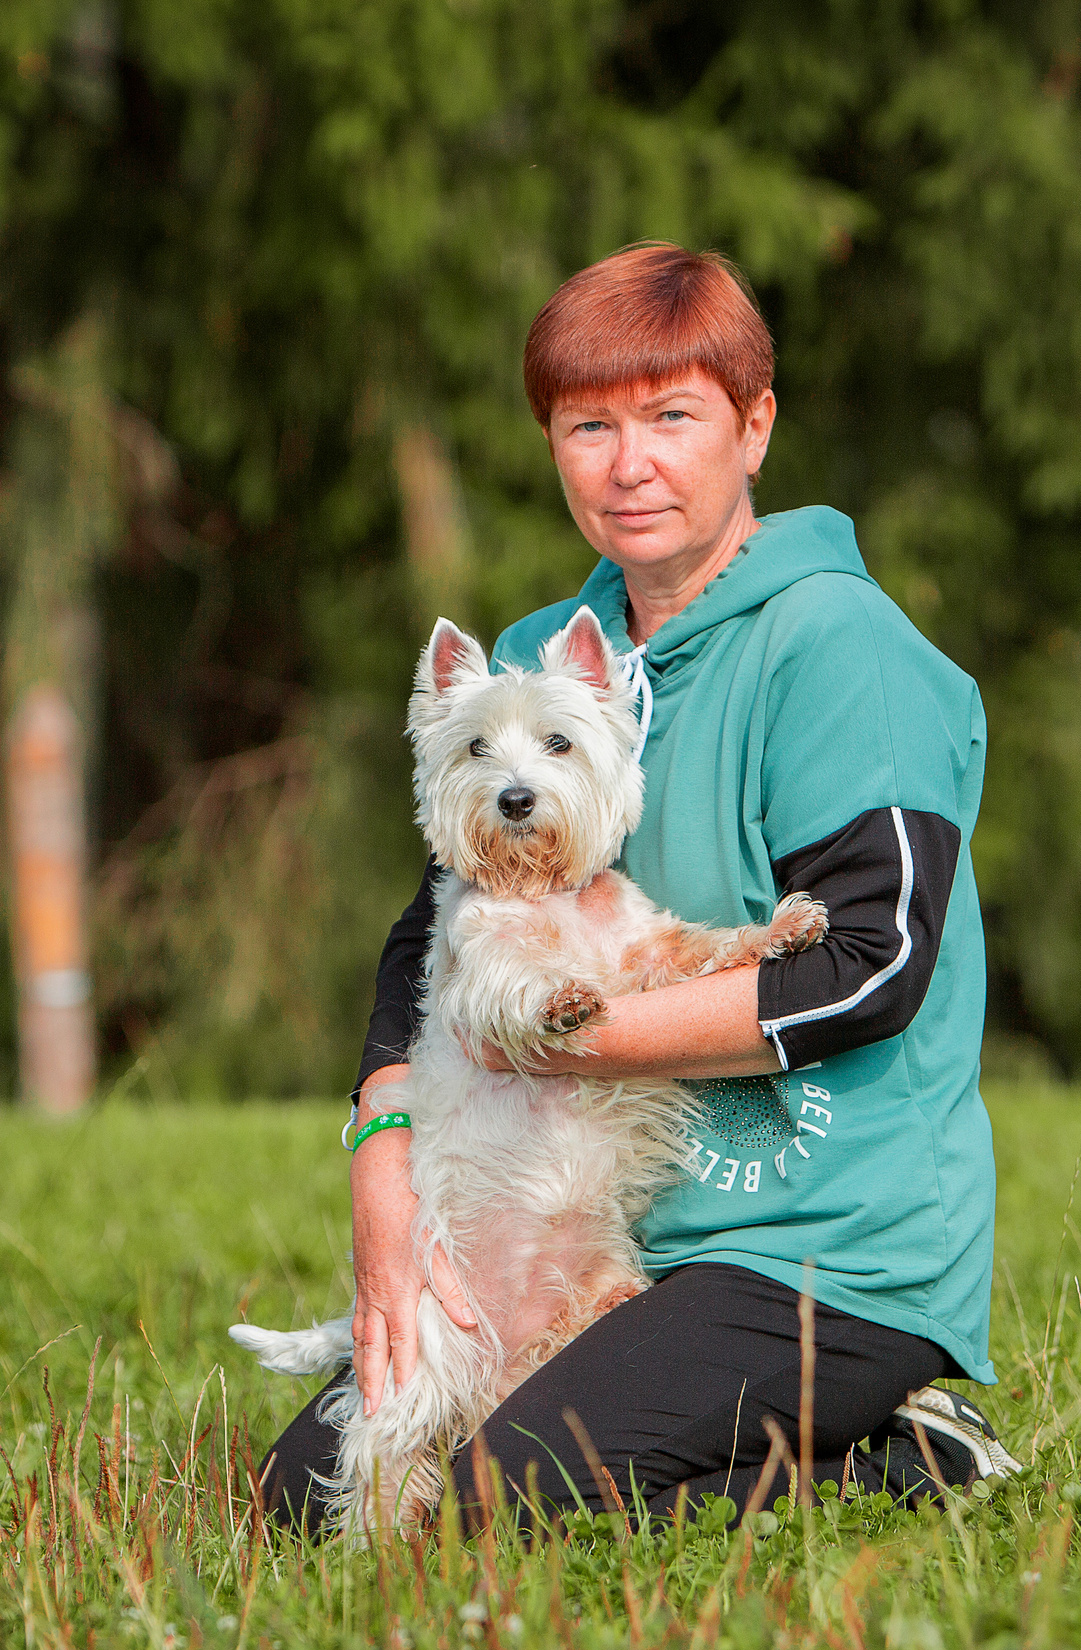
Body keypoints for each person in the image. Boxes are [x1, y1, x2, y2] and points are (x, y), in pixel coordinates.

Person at [258, 242, 1016, 1532]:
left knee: (483, 1510)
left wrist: (562, 1043)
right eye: (588, 425)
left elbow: (872, 969)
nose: (630, 464)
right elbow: (430, 933)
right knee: (311, 1504)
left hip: (817, 1251)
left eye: (673, 416)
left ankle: (906, 1452)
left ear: (755, 425)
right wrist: (383, 1161)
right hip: (596, 1235)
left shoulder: (844, 649)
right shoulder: (538, 664)